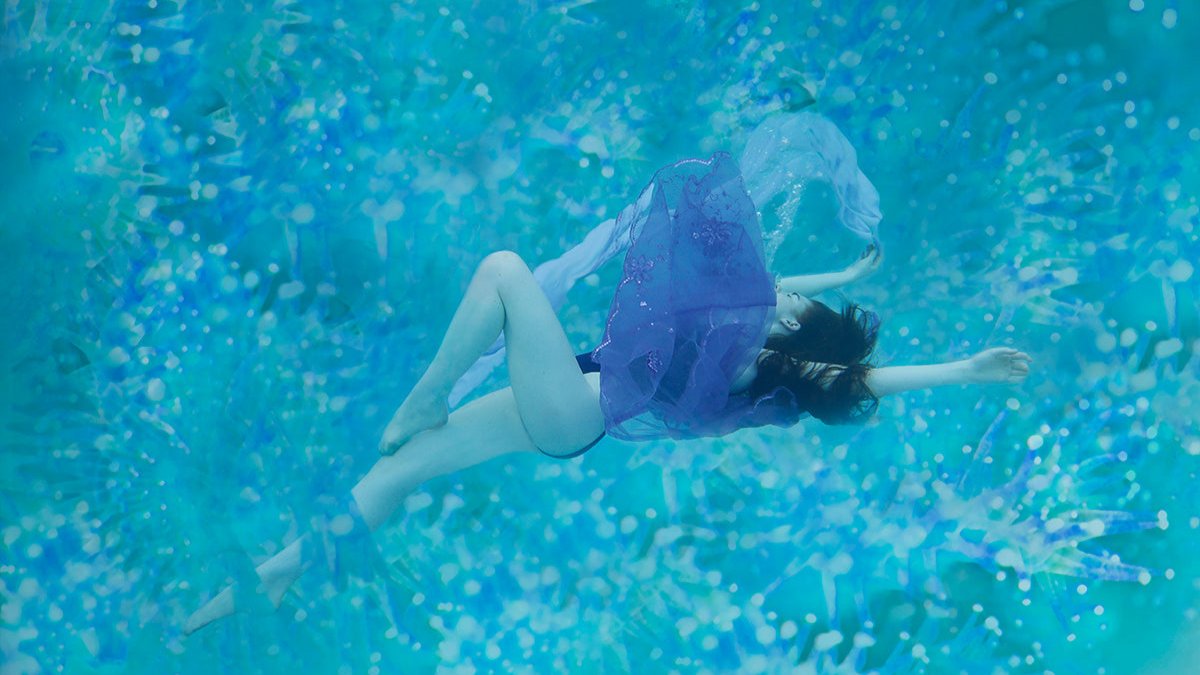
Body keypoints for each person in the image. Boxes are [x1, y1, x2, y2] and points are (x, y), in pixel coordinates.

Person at [182, 115, 1032, 635]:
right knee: (398, 470)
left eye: (784, 315)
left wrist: (968, 367)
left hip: (576, 412)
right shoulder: (765, 319)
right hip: (563, 406)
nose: (770, 303)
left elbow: (864, 378)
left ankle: (429, 391)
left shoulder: (762, 373)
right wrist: (842, 283)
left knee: (507, 272)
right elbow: (776, 294)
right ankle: (268, 583)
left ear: (799, 351)